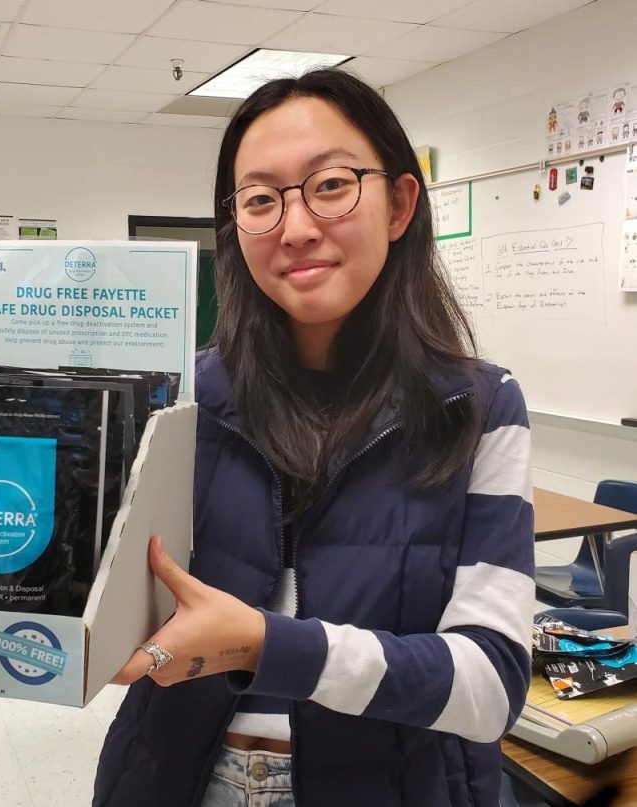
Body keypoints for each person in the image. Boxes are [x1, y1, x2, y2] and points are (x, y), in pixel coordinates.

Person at [93, 69, 534, 807]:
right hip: (177, 778)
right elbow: (116, 592)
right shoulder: (180, 395)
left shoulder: (480, 406)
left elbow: (490, 686)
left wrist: (268, 645)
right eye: (261, 200)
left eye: (330, 184)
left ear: (398, 203)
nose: (295, 227)